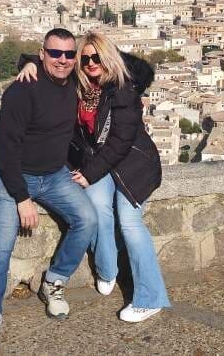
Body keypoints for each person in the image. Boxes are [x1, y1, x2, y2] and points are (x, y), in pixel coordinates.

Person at [17, 32, 170, 322]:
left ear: (108, 57)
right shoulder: (80, 84)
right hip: (99, 163)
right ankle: (107, 268)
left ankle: (150, 298)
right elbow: (51, 59)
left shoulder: (123, 88)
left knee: (129, 222)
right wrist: (28, 63)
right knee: (95, 208)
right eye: (84, 58)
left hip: (132, 165)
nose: (90, 63)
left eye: (96, 57)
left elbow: (121, 143)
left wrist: (88, 174)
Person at [0, 28, 98, 354]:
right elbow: (6, 148)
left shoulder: (73, 82)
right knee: (0, 246)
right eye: (55, 53)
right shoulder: (21, 91)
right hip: (11, 177)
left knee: (87, 219)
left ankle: (54, 282)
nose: (63, 60)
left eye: (70, 55)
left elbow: (113, 68)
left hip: (54, 175)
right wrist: (22, 198)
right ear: (42, 54)